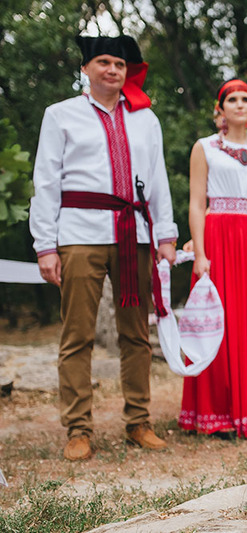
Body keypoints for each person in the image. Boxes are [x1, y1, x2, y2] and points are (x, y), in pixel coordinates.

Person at [30, 35, 178, 461]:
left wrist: (165, 234)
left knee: (137, 334)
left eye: (119, 63)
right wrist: (46, 245)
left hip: (135, 232)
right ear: (87, 68)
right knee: (77, 334)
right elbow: (46, 181)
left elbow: (158, 179)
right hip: (80, 232)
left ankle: (139, 421)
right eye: (104, 62)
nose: (113, 70)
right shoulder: (60, 116)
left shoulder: (145, 119)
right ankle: (78, 428)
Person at [178, 79, 247, 439]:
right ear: (220, 109)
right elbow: (196, 203)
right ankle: (216, 415)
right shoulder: (204, 148)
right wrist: (201, 253)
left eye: (246, 99)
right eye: (232, 99)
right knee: (218, 323)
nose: (240, 104)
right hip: (218, 238)